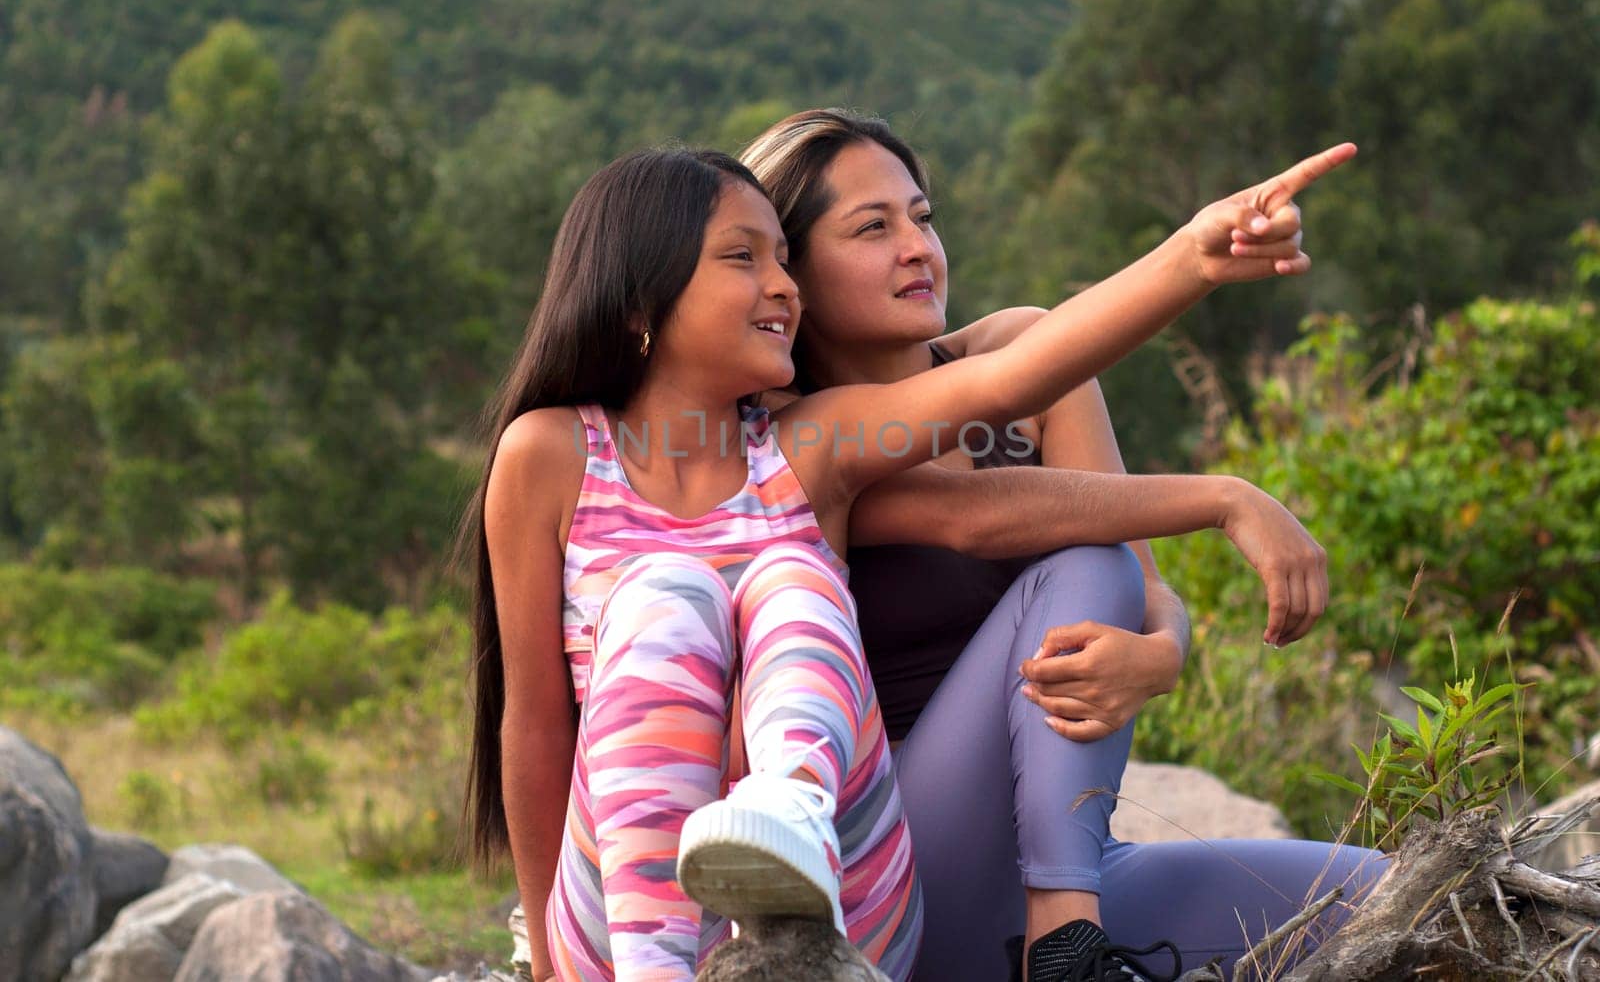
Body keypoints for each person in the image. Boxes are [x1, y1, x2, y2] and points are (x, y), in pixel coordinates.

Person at [464, 141, 1354, 982]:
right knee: (667, 592)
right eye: (745, 259)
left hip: (846, 894)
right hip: (622, 909)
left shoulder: (806, 445)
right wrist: (546, 949)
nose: (780, 286)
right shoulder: (550, 455)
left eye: (782, 260)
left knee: (792, 580)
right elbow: (535, 724)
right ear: (637, 299)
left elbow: (1010, 380)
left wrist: (1195, 256)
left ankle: (793, 815)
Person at [737, 109, 1384, 982]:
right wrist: (1225, 496)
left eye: (922, 217)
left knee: (1382, 897)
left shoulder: (1024, 354)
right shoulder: (793, 439)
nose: (915, 247)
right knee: (1089, 555)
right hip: (889, 879)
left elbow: (1151, 595)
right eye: (872, 227)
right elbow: (986, 516)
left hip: (1064, 867)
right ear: (794, 270)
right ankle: (1068, 945)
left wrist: (1161, 655)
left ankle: (1069, 941)